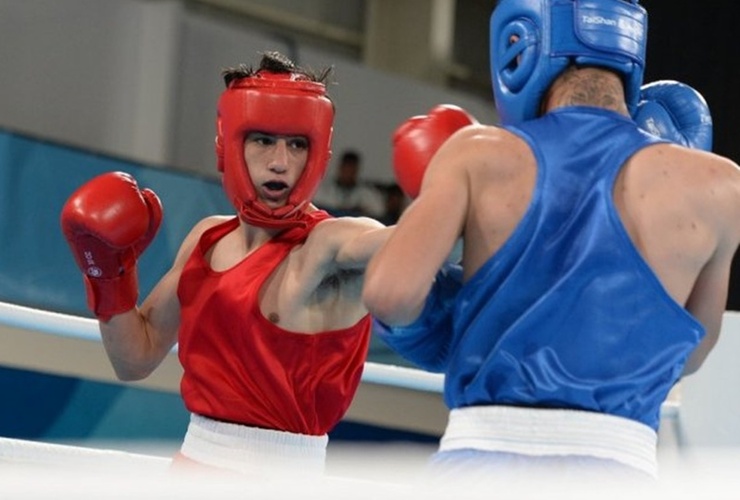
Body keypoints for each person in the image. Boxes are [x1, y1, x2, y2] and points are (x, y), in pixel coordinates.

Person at [362, 0, 740, 485]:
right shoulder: (720, 186)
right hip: (620, 469)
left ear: (521, 44)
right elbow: (695, 351)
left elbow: (389, 294)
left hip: (482, 459)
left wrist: (452, 320)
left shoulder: (479, 155)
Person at [60, 51, 392, 478]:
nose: (280, 162)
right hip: (191, 466)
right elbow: (133, 360)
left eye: (297, 144)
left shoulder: (326, 244)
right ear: (230, 142)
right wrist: (107, 275)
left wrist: (459, 196)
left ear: (319, 152)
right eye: (263, 140)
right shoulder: (206, 238)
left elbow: (397, 243)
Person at [313, 149, 386, 219]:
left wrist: (359, 210)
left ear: (357, 170)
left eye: (352, 169)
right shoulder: (324, 189)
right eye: (346, 168)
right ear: (340, 168)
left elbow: (379, 212)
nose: (348, 173)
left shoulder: (367, 193)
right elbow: (315, 208)